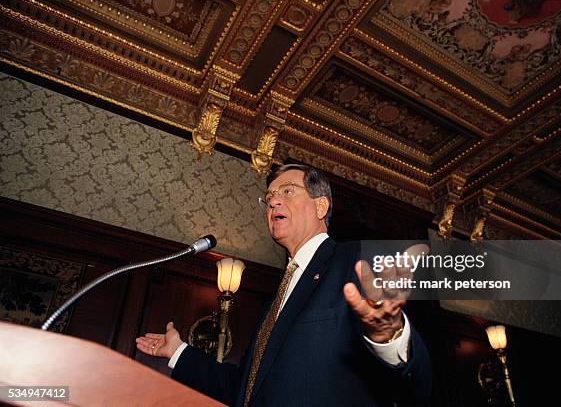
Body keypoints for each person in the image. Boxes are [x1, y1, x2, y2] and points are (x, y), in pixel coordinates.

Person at [136, 164, 432, 406]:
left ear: (320, 206)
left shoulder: (357, 259)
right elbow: (247, 389)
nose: (273, 201)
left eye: (287, 191)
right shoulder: (275, 300)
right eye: (269, 197)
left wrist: (390, 336)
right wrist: (179, 352)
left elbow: (415, 385)